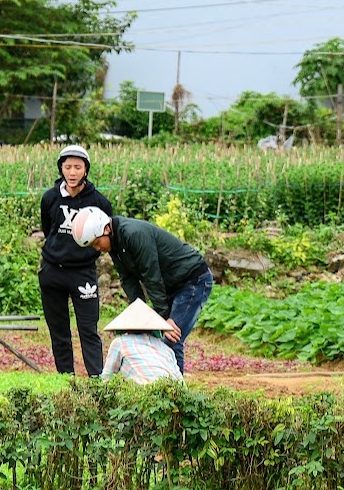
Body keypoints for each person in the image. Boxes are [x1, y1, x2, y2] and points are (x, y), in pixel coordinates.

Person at [67, 206, 215, 373]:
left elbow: (151, 274)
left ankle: (176, 393)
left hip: (193, 280)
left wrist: (164, 319)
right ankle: (155, 387)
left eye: (96, 242)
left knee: (171, 338)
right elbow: (128, 280)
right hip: (171, 285)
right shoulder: (115, 244)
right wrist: (141, 314)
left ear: (106, 228)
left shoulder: (133, 234)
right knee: (153, 338)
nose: (97, 248)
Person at [34, 143, 115, 376]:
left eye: (77, 167)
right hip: (52, 271)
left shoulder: (99, 202)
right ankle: (65, 380)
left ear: (86, 170)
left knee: (88, 329)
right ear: (61, 169)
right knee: (58, 330)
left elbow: (105, 236)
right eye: (67, 167)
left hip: (83, 272)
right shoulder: (50, 198)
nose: (72, 172)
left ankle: (96, 382)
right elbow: (48, 229)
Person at [100, 300, 185, 385]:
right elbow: (181, 384)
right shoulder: (167, 349)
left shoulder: (120, 343)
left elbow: (107, 378)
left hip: (145, 392)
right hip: (173, 392)